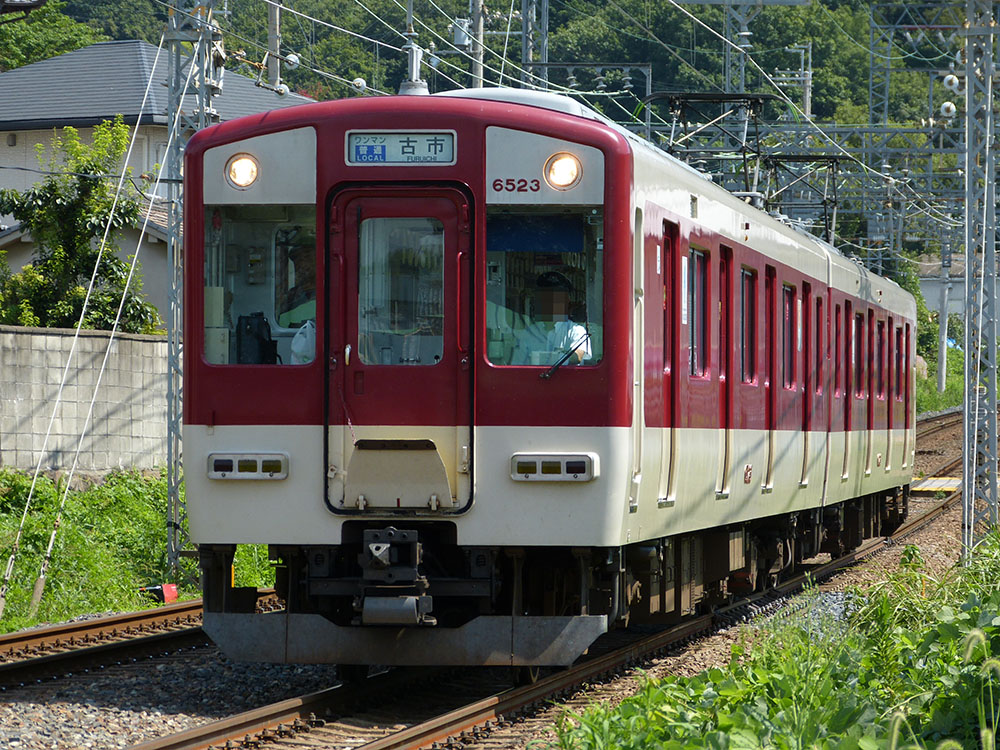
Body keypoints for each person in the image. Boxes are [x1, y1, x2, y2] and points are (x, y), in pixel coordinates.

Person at [511, 271, 591, 366]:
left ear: (566, 301)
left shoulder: (577, 331)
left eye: (557, 298)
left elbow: (577, 356)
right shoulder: (528, 333)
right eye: (546, 297)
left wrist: (544, 357)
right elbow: (517, 366)